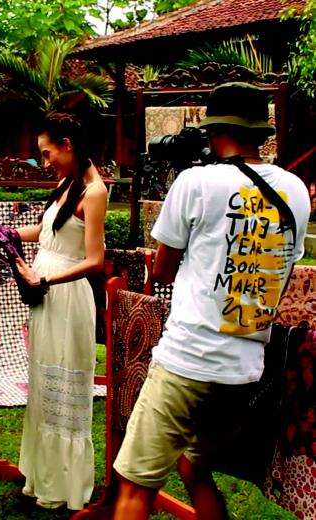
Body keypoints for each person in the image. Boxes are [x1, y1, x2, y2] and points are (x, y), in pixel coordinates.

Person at [112, 82, 311, 519]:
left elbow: (162, 272)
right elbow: (279, 270)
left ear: (215, 131)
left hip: (187, 361)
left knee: (134, 488)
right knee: (194, 467)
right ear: (260, 132)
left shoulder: (195, 182)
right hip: (245, 370)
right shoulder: (296, 191)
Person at [15, 112, 108, 510]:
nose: (45, 161)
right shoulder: (66, 183)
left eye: (47, 152)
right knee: (43, 379)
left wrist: (46, 281)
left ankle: (66, 484)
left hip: (67, 298)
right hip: (47, 296)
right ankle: (44, 476)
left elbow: (95, 260)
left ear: (67, 145)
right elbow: (48, 232)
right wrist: (5, 234)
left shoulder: (95, 192)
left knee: (64, 385)